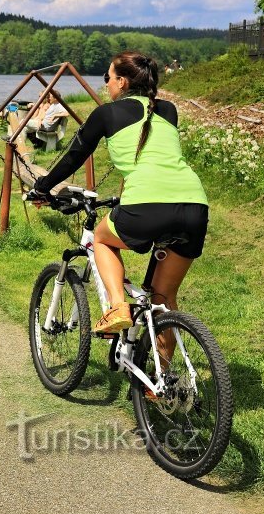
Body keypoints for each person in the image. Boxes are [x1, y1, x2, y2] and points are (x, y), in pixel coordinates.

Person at [31, 51, 208, 367]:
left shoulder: (106, 114)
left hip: (148, 203)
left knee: (101, 239)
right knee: (163, 299)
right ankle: (161, 379)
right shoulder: (167, 110)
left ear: (122, 81)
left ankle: (116, 307)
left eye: (108, 78)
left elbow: (74, 156)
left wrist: (42, 187)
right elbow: (151, 158)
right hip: (194, 206)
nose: (106, 84)